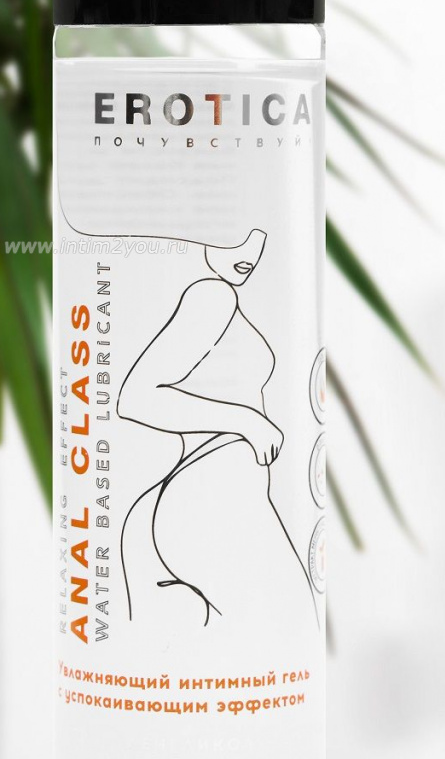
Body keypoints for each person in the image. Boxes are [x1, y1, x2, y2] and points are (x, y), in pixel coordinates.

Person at [117, 229, 316, 629]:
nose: (252, 251)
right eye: (241, 236)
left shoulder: (207, 294)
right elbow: (135, 398)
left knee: (173, 657)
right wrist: (247, 421)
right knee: (291, 632)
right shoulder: (213, 295)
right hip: (215, 498)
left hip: (181, 499)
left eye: (260, 238)